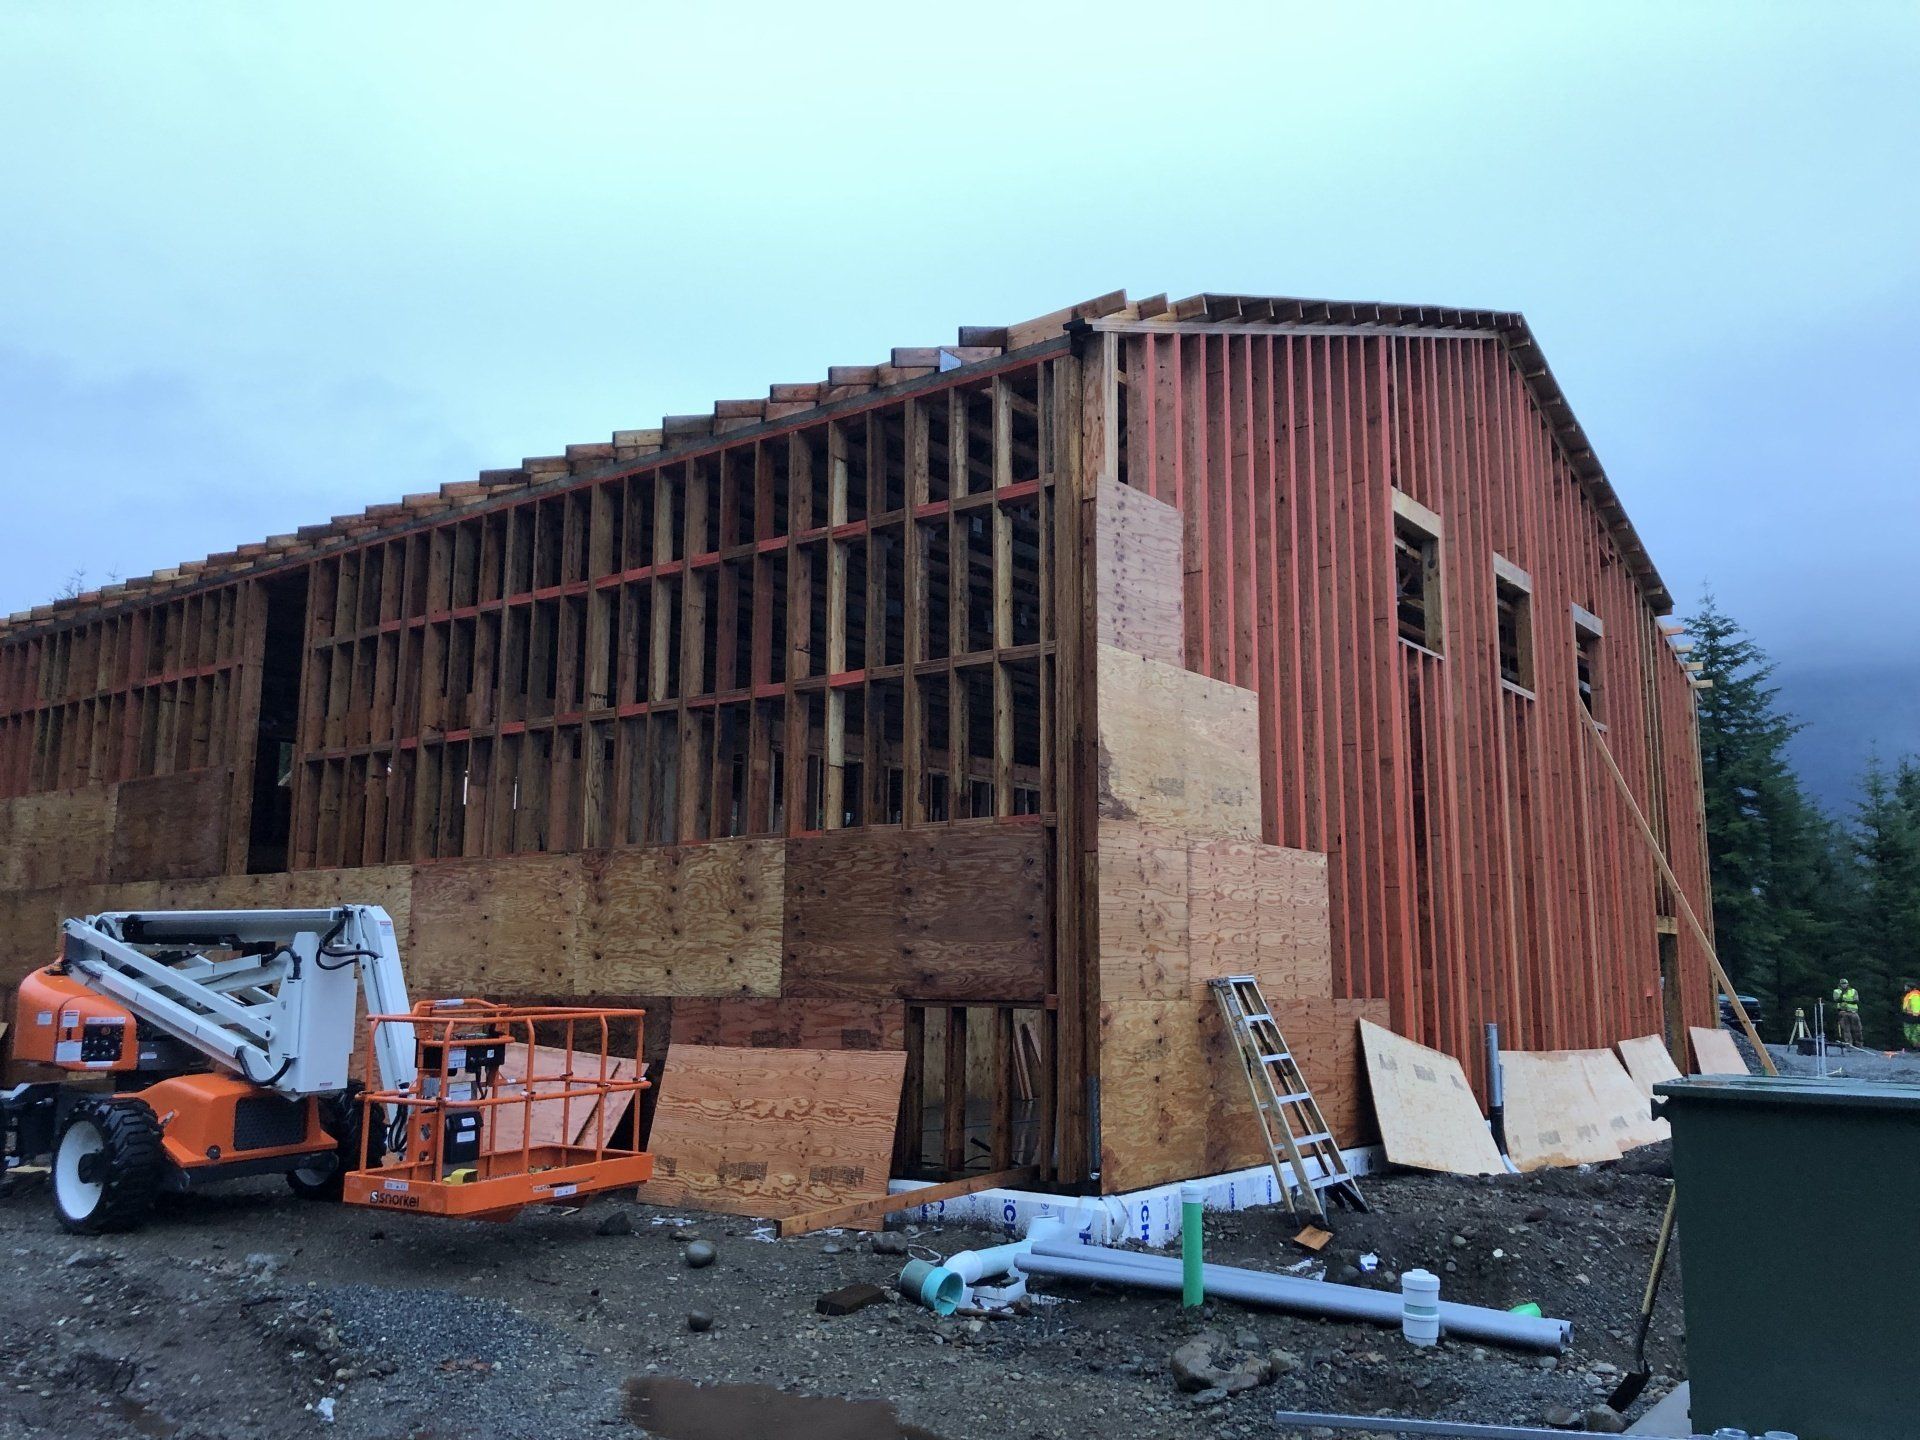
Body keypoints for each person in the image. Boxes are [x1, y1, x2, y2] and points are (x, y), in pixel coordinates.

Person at [1832, 978, 1863, 1047]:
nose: (1844, 985)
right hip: (1843, 1012)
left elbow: (1856, 1000)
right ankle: (1849, 1044)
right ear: (1840, 984)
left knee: (1857, 1029)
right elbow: (1837, 999)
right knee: (1846, 1029)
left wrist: (1845, 999)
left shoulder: (1853, 991)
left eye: (1845, 983)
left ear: (1848, 984)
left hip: (1853, 1012)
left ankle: (1859, 1044)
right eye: (1842, 984)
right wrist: (1845, 997)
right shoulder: (1836, 991)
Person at [1900, 980, 1920, 1052]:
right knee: (1910, 1033)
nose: (1905, 988)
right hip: (1909, 1016)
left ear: (1911, 987)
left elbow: (1916, 1006)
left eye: (1906, 987)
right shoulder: (1910, 995)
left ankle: (1917, 1048)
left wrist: (1916, 1015)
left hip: (1914, 1017)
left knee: (1914, 1033)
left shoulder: (1915, 995)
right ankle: (1915, 1048)